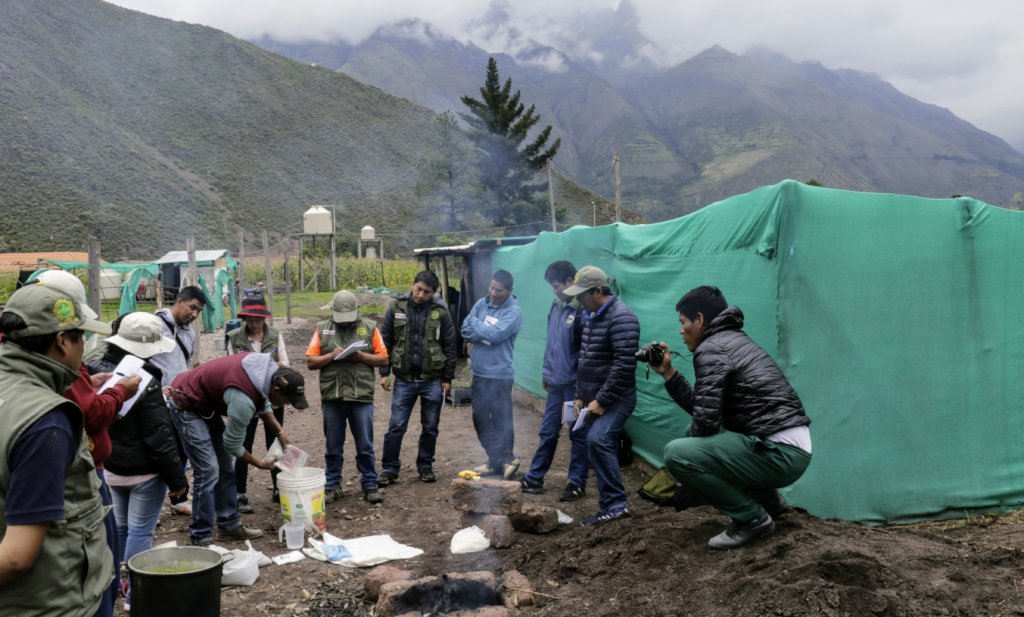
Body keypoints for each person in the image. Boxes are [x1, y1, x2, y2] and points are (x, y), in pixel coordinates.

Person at [651, 285, 812, 549]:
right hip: (793, 447)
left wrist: (681, 478)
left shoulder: (711, 348)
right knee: (709, 444)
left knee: (677, 453)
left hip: (780, 453)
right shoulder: (731, 340)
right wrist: (668, 373)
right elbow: (705, 410)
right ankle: (771, 503)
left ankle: (752, 519)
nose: (681, 330)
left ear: (700, 320)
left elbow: (704, 424)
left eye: (683, 322)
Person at [0, 284, 114, 616]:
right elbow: (17, 555)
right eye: (81, 338)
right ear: (63, 341)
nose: (84, 350)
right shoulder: (45, 421)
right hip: (52, 600)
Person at [36, 271, 139, 616]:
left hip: (88, 471)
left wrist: (88, 382)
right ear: (65, 339)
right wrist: (118, 392)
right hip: (84, 476)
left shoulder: (33, 356)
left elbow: (77, 396)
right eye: (80, 336)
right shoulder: (52, 360)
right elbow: (92, 415)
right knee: (99, 561)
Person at [88, 312, 188, 610]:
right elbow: (159, 436)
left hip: (111, 467)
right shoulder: (144, 379)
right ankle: (136, 594)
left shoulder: (95, 372)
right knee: (141, 531)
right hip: (144, 473)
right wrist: (177, 480)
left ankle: (115, 585)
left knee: (119, 527)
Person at [166, 353, 308, 545]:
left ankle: (229, 524)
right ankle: (201, 536)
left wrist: (280, 432)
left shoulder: (266, 372)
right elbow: (231, 444)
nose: (288, 404)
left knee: (224, 466)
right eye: (288, 400)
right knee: (208, 470)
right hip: (185, 402)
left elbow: (263, 401)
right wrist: (258, 463)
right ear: (276, 389)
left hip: (205, 403)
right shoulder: (243, 401)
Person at [561, 265, 640, 526]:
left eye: (582, 296)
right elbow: (585, 360)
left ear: (597, 291)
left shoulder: (622, 317)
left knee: (599, 439)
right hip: (593, 398)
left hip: (618, 398)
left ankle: (617, 505)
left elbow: (624, 366)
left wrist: (602, 400)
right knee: (585, 438)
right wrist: (580, 396)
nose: (579, 301)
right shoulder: (589, 315)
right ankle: (607, 507)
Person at [305, 290, 388, 504]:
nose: (343, 324)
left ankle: (370, 484)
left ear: (357, 310)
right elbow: (311, 361)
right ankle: (332, 485)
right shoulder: (322, 328)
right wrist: (330, 356)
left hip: (361, 397)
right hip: (332, 397)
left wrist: (359, 356)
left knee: (365, 445)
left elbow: (383, 359)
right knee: (333, 446)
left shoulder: (369, 327)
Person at [378, 271, 457, 485]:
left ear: (434, 293)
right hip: (404, 379)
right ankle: (390, 468)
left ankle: (425, 466)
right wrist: (385, 373)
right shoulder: (397, 307)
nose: (421, 295)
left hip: (432, 380)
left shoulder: (440, 312)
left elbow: (450, 345)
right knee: (396, 426)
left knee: (430, 426)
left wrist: (447, 378)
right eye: (418, 289)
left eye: (427, 292)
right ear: (412, 284)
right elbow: (384, 340)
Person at [519, 261, 590, 501]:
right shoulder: (556, 305)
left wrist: (580, 389)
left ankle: (577, 482)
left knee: (577, 433)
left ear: (571, 282)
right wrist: (547, 374)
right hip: (556, 385)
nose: (554, 290)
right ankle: (535, 477)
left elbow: (584, 355)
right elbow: (551, 344)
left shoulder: (581, 311)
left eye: (557, 285)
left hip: (573, 387)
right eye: (552, 286)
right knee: (548, 431)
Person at [226, 295, 289, 512]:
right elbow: (231, 366)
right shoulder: (234, 338)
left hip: (273, 396)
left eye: (258, 319)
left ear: (264, 318)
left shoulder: (275, 334)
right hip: (247, 399)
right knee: (244, 445)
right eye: (250, 320)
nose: (254, 324)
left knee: (276, 442)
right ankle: (240, 492)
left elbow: (285, 364)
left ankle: (279, 487)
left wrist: (265, 365)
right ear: (244, 319)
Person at [460, 269, 523, 479]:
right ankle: (502, 459)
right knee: (480, 419)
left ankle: (501, 462)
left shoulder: (513, 312)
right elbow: (464, 329)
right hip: (479, 373)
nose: (494, 293)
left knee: (501, 421)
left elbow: (495, 335)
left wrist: (478, 329)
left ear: (510, 290)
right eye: (492, 288)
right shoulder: (481, 304)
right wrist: (482, 334)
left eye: (499, 290)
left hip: (500, 375)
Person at [151, 285, 207, 516]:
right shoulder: (154, 326)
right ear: (179, 301)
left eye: (199, 311)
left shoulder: (189, 333)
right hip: (155, 401)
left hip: (179, 401)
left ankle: (178, 498)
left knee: (181, 450)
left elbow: (186, 363)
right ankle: (149, 508)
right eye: (192, 307)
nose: (194, 314)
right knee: (158, 453)